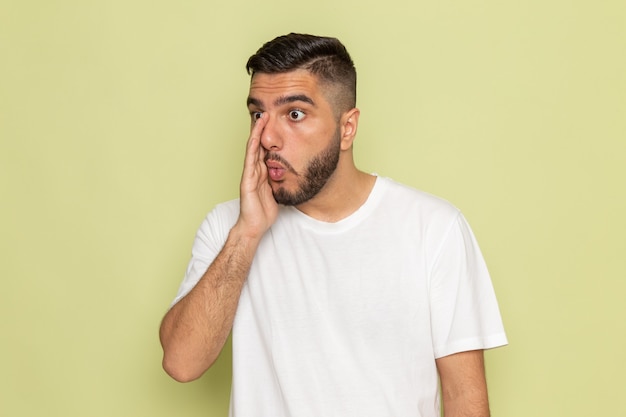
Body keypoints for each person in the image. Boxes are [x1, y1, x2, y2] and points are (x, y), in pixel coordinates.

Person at [159, 33, 507, 417]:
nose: (268, 138)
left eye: (294, 114)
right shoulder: (229, 228)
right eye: (258, 114)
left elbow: (464, 400)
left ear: (347, 128)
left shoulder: (434, 228)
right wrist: (247, 233)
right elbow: (181, 363)